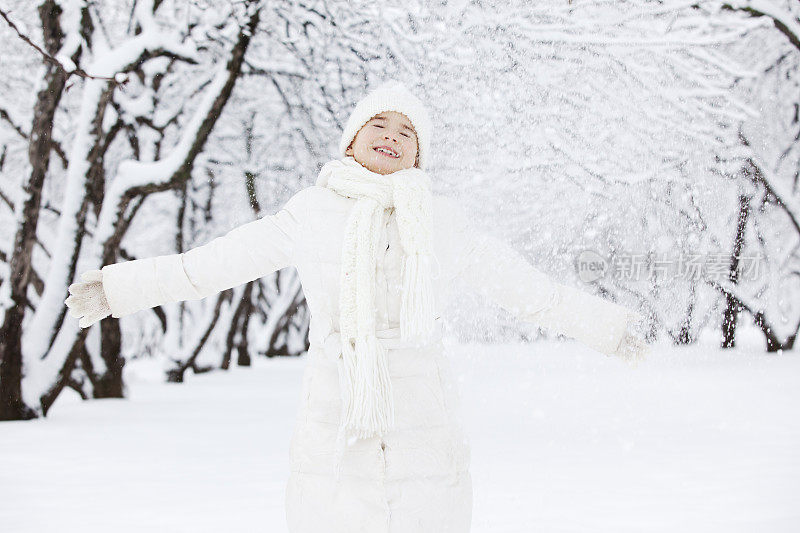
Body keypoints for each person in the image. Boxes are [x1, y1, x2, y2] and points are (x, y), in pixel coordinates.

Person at [65, 80, 649, 532]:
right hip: (336, 420)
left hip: (425, 424)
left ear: (420, 155)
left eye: (408, 130)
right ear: (350, 139)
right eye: (379, 122)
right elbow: (210, 265)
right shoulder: (309, 213)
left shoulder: (444, 223)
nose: (392, 134)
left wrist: (605, 327)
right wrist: (120, 288)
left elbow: (528, 291)